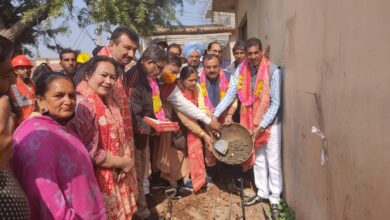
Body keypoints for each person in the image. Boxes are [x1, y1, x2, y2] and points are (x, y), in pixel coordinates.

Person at [11, 72, 106, 219]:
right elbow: (47, 202)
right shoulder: (38, 138)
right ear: (41, 101)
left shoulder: (59, 127)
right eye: (59, 96)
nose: (68, 101)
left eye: (71, 95)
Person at [213, 37, 282, 219]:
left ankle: (275, 198)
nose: (252, 57)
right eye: (249, 54)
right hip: (250, 123)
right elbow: (230, 94)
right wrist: (213, 115)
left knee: (272, 161)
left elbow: (275, 103)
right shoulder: (241, 70)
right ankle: (262, 193)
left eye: (255, 53)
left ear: (261, 52)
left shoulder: (272, 70)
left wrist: (261, 125)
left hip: (270, 124)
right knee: (258, 159)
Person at [69, 56, 137, 219]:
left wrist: (126, 155)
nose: (108, 81)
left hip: (118, 172)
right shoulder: (81, 106)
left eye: (112, 77)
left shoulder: (110, 101)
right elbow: (87, 151)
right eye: (103, 75)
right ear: (87, 75)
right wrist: (123, 162)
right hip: (97, 179)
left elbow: (122, 134)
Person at [124, 45, 167, 220]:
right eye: (160, 67)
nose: (161, 72)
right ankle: (141, 212)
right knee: (138, 174)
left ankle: (141, 205)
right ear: (149, 62)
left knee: (142, 173)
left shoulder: (147, 77)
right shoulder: (135, 80)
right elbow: (133, 117)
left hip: (143, 134)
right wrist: (154, 128)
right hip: (135, 137)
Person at [157, 66, 215, 193]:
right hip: (176, 128)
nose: (194, 83)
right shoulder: (176, 92)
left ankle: (187, 181)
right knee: (175, 156)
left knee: (187, 156)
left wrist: (207, 122)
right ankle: (173, 185)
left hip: (191, 128)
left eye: (195, 80)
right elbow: (184, 118)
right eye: (190, 80)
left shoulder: (196, 88)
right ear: (182, 80)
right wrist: (203, 133)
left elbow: (201, 106)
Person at [0, 35, 30, 220]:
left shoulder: (27, 87)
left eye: (27, 68)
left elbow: (25, 108)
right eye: (6, 74)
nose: (23, 72)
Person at [9, 55, 35, 123]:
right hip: (23, 123)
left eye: (28, 68)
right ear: (15, 71)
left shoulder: (32, 84)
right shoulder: (13, 87)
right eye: (22, 68)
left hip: (35, 121)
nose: (26, 70)